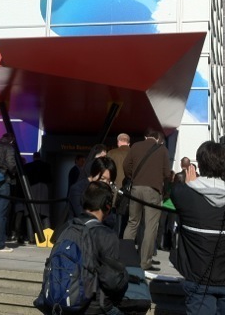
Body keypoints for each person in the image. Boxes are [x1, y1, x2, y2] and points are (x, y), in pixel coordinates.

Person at [170, 141, 225, 315]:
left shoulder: (182, 193)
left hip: (197, 277)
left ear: (199, 164)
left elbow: (176, 193)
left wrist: (189, 184)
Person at [37, 181, 129, 315]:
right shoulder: (107, 235)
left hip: (58, 304)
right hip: (94, 308)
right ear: (107, 206)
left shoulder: (65, 228)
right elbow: (113, 283)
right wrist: (126, 275)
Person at [122, 130, 169, 270]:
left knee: (132, 223)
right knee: (150, 226)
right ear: (158, 139)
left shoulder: (135, 146)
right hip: (153, 190)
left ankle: (125, 258)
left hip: (135, 189)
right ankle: (145, 262)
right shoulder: (162, 150)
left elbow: (126, 166)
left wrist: (133, 177)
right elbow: (167, 173)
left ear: (146, 137)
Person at [68, 157, 117, 221]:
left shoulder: (107, 191)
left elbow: (111, 218)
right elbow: (82, 215)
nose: (105, 183)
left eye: (109, 181)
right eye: (102, 179)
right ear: (93, 173)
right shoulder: (77, 189)